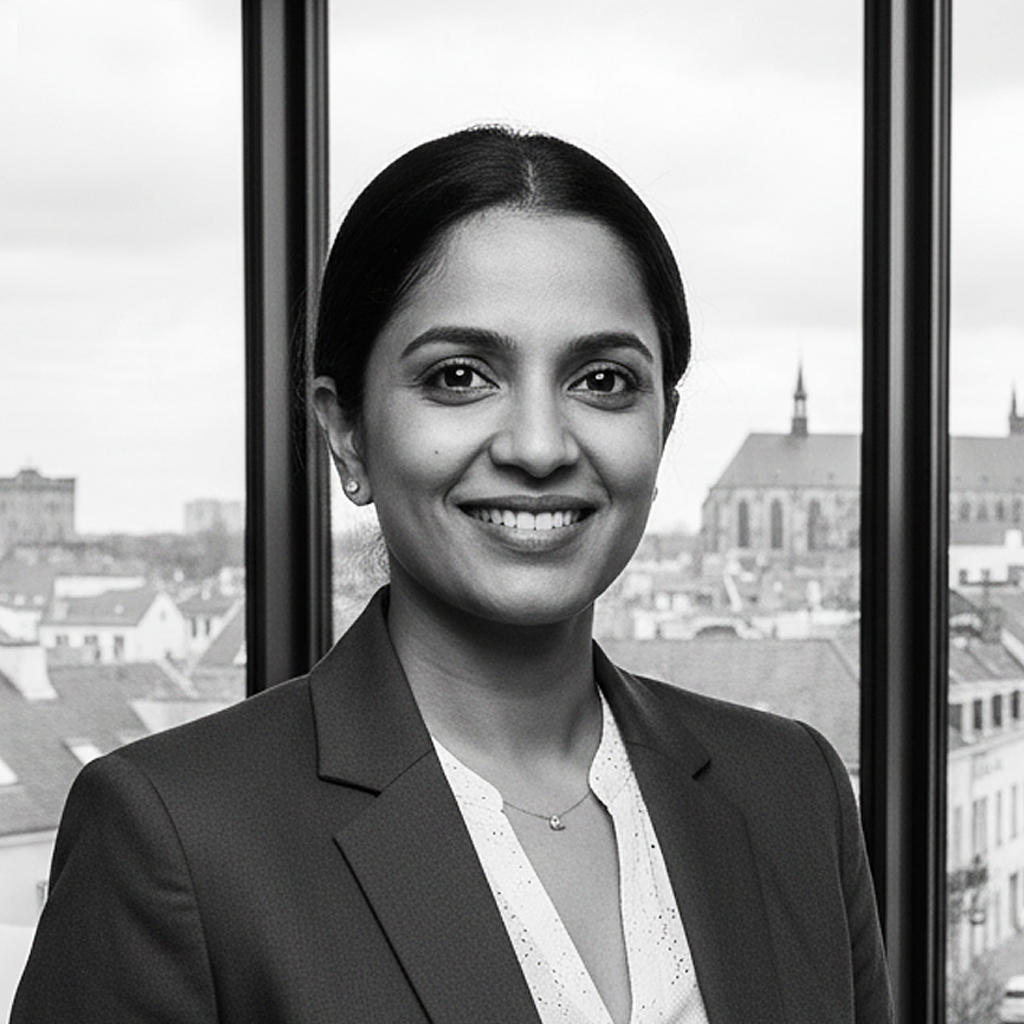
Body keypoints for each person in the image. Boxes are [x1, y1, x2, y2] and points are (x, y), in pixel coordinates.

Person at [12, 126, 892, 1024]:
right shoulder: (176, 837)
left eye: (602, 380)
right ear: (346, 432)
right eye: (461, 376)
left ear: (663, 427)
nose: (541, 446)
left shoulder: (792, 791)